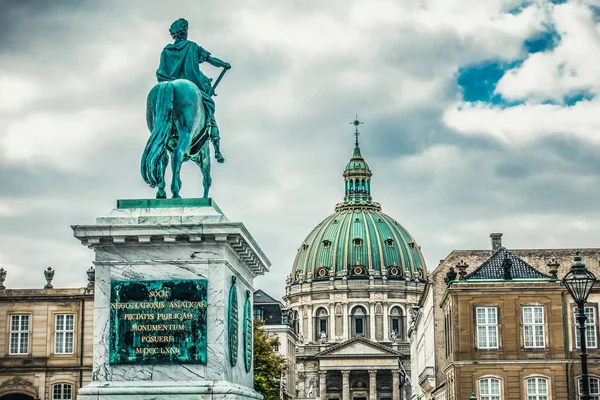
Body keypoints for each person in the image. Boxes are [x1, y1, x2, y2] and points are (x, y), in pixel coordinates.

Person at [156, 18, 230, 159]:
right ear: (185, 32)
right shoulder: (192, 47)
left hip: (166, 84)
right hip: (191, 87)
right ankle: (217, 149)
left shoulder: (166, 51)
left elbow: (161, 71)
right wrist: (224, 64)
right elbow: (210, 59)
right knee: (209, 108)